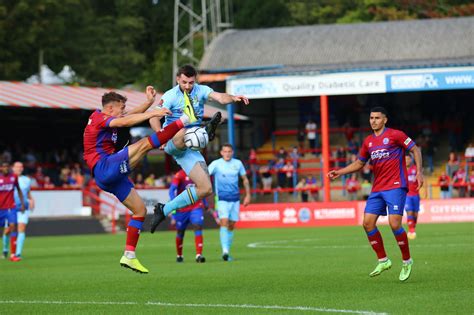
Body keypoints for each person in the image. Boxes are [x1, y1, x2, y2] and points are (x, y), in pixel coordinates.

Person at [83, 86, 189, 274]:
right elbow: (126, 121)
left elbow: (129, 116)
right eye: (121, 108)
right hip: (104, 167)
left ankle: (129, 255)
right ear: (110, 109)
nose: (123, 111)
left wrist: (149, 103)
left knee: (140, 210)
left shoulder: (109, 118)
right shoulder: (99, 118)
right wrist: (155, 113)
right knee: (143, 144)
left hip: (109, 176)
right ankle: (184, 121)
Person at [327, 106, 423, 282]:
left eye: (377, 118)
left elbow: (415, 149)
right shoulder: (368, 141)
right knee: (367, 223)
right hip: (377, 188)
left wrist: (419, 172)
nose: (373, 121)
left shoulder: (396, 135)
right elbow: (359, 163)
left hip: (396, 185)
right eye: (371, 118)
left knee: (395, 224)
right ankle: (383, 260)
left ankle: (407, 261)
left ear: (385, 120)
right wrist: (339, 172)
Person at [149, 65, 249, 232]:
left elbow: (220, 97)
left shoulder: (201, 90)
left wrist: (233, 97)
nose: (188, 86)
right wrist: (160, 135)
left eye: (191, 82)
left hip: (191, 148)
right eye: (184, 82)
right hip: (173, 141)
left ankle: (164, 209)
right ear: (177, 80)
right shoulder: (170, 96)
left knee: (205, 188)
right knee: (183, 129)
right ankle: (205, 131)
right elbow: (154, 117)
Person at [208, 144, 251, 261]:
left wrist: (248, 195)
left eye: (229, 151)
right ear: (221, 153)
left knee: (231, 225)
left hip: (235, 199)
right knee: (224, 221)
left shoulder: (238, 164)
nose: (227, 153)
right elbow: (205, 175)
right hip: (221, 198)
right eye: (225, 151)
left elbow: (245, 179)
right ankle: (225, 252)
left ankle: (227, 250)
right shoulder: (216, 164)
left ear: (232, 153)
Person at [169, 169, 207, 263]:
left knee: (198, 226)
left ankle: (199, 255)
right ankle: (179, 255)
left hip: (196, 206)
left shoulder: (198, 174)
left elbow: (202, 189)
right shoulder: (179, 175)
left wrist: (205, 203)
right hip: (182, 208)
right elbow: (171, 190)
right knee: (180, 232)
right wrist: (175, 203)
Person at [0, 162, 25, 262]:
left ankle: (13, 255)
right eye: (3, 167)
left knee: (12, 226)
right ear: (1, 168)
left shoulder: (14, 177)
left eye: (7, 166)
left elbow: (18, 189)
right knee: (5, 231)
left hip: (11, 207)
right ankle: (5, 249)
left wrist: (22, 204)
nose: (5, 168)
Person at [404, 155, 421, 240]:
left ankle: (412, 227)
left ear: (411, 160)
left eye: (408, 159)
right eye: (405, 159)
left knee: (415, 215)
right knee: (409, 212)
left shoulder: (415, 169)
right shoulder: (401, 170)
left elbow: (422, 178)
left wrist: (424, 190)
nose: (407, 160)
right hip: (407, 195)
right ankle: (411, 230)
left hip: (416, 195)